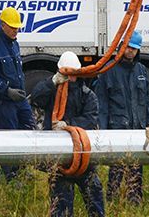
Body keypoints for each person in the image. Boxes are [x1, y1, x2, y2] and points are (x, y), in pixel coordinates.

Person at [31, 52, 106, 217]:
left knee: (94, 197)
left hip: (83, 159)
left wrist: (68, 124)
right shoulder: (51, 91)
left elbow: (90, 120)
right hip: (61, 161)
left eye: (72, 73)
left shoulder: (87, 95)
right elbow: (35, 98)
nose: (70, 77)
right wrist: (51, 83)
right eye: (66, 73)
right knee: (61, 206)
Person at [94, 31, 149, 206]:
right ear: (121, 46)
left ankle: (134, 202)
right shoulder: (109, 70)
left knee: (136, 168)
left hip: (138, 128)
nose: (130, 51)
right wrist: (103, 131)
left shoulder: (141, 70)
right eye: (128, 47)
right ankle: (112, 200)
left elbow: (147, 100)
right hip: (118, 129)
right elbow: (102, 104)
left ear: (138, 50)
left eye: (134, 49)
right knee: (117, 168)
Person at [0, 6, 34, 181]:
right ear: (3, 25)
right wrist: (7, 91)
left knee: (28, 129)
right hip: (4, 101)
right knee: (10, 136)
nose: (15, 30)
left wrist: (20, 93)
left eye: (17, 27)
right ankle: (9, 175)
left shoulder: (15, 44)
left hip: (19, 99)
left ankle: (21, 169)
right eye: (12, 27)